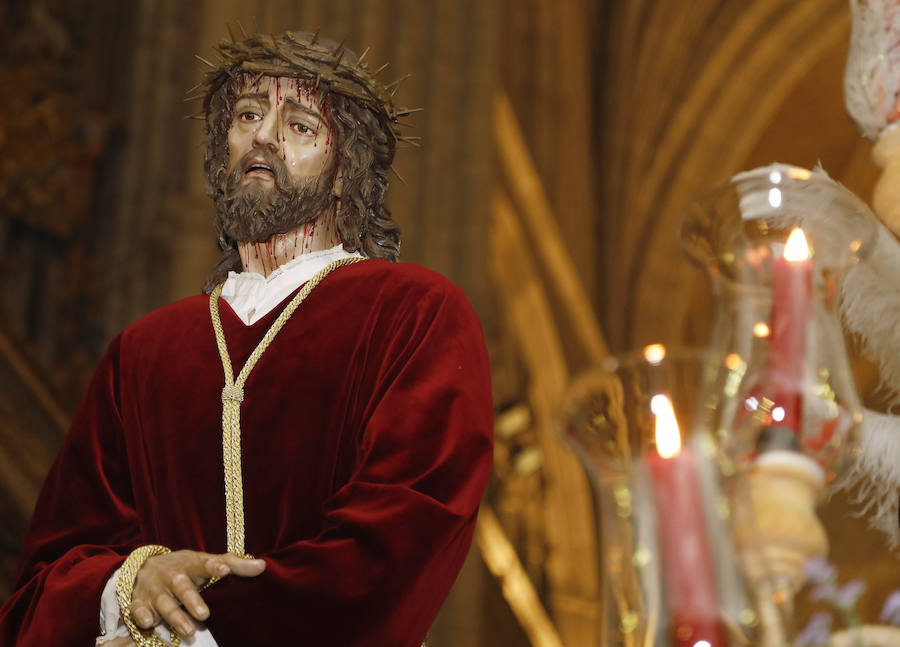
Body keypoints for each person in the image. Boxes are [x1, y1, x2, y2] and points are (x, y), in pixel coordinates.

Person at [0, 30, 493, 647]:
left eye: (301, 124)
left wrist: (197, 627)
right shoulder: (142, 351)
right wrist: (131, 585)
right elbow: (45, 576)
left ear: (346, 172)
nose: (263, 136)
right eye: (248, 115)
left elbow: (403, 532)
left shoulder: (413, 315)